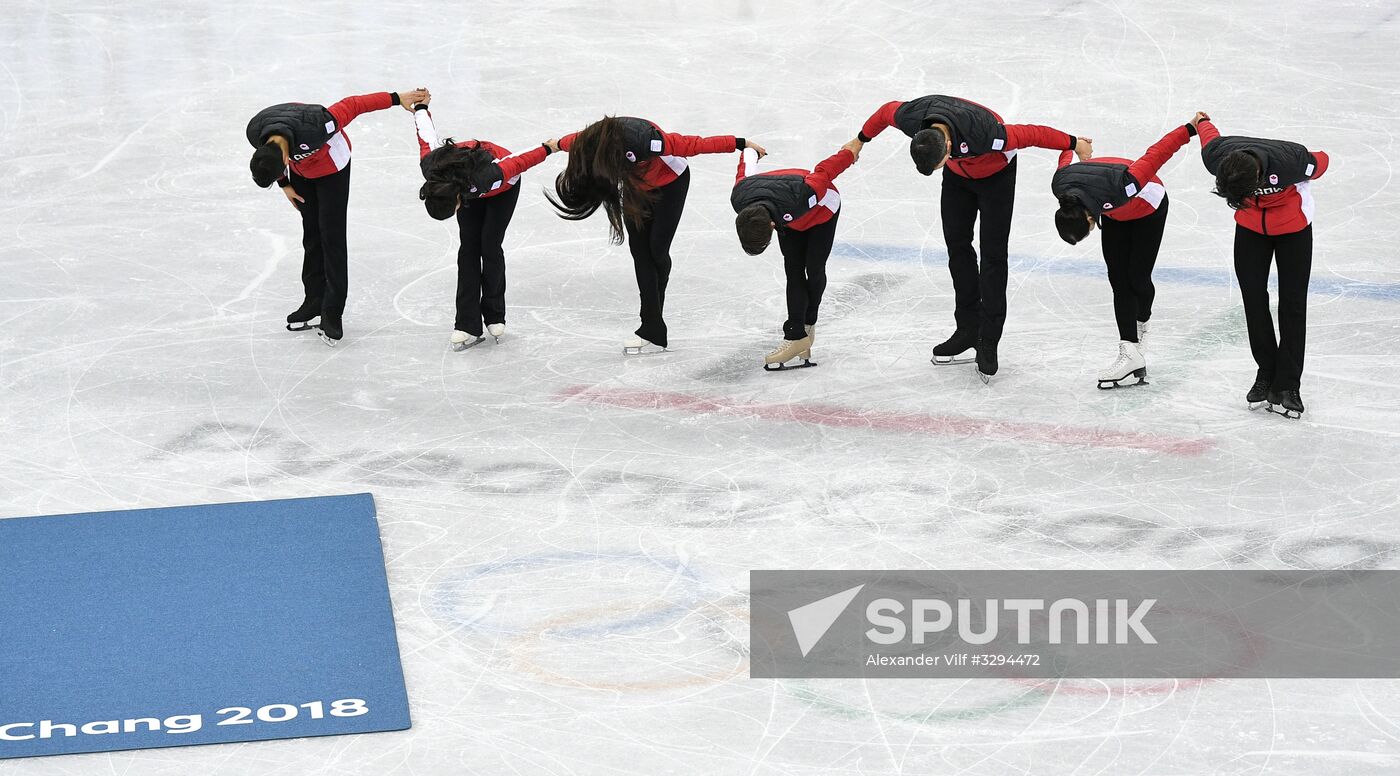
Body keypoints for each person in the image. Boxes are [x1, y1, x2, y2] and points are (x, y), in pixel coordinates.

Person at [850, 95, 1093, 381]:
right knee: (957, 249)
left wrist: (1074, 142)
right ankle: (967, 329)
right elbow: (884, 111)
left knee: (992, 256)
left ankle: (988, 340)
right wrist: (859, 140)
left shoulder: (987, 133)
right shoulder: (913, 118)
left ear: (949, 147)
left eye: (939, 163)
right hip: (958, 180)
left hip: (996, 178)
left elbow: (1031, 134)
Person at [544, 117, 764, 354]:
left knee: (657, 250)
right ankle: (652, 328)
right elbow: (565, 143)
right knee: (640, 253)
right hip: (636, 190)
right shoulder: (587, 142)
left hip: (671, 183)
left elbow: (693, 145)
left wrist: (741, 143)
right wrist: (551, 145)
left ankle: (654, 315)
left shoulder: (646, 140)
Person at [246, 87, 428, 346]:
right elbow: (268, 162)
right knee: (311, 235)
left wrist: (398, 99)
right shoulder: (256, 132)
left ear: (286, 157)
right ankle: (313, 301)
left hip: (333, 167)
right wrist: (285, 183)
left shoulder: (318, 125)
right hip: (302, 173)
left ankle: (333, 312)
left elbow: (353, 104)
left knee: (331, 237)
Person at [1051, 113, 1206, 388]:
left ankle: (1142, 319)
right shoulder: (1061, 187)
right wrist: (1073, 144)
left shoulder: (1126, 183)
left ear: (1089, 220)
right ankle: (1130, 351)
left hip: (1148, 206)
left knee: (1138, 277)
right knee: (1118, 280)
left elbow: (1156, 155)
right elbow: (1065, 160)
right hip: (1112, 210)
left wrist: (1190, 128)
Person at [1198, 116, 1329, 418]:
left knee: (1293, 305)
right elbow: (1209, 136)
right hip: (1249, 232)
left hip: (1293, 230)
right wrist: (1201, 120)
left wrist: (1311, 166)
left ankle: (1288, 384)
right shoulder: (1217, 158)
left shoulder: (1292, 161)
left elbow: (1322, 162)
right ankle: (1266, 373)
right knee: (1253, 301)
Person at [412, 95, 553, 351]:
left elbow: (519, 161)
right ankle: (466, 323)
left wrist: (548, 148)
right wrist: (421, 107)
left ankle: (495, 315)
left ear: (457, 199)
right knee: (468, 249)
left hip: (503, 187)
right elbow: (426, 137)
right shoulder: (432, 169)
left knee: (489, 244)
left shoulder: (489, 175)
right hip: (468, 187)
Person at [731, 140, 861, 370]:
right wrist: (751, 151)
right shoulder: (740, 198)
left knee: (814, 267)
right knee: (793, 269)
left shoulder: (804, 193)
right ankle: (795, 334)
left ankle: (808, 324)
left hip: (821, 209)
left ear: (772, 225)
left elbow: (825, 171)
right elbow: (746, 170)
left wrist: (850, 152)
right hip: (786, 212)